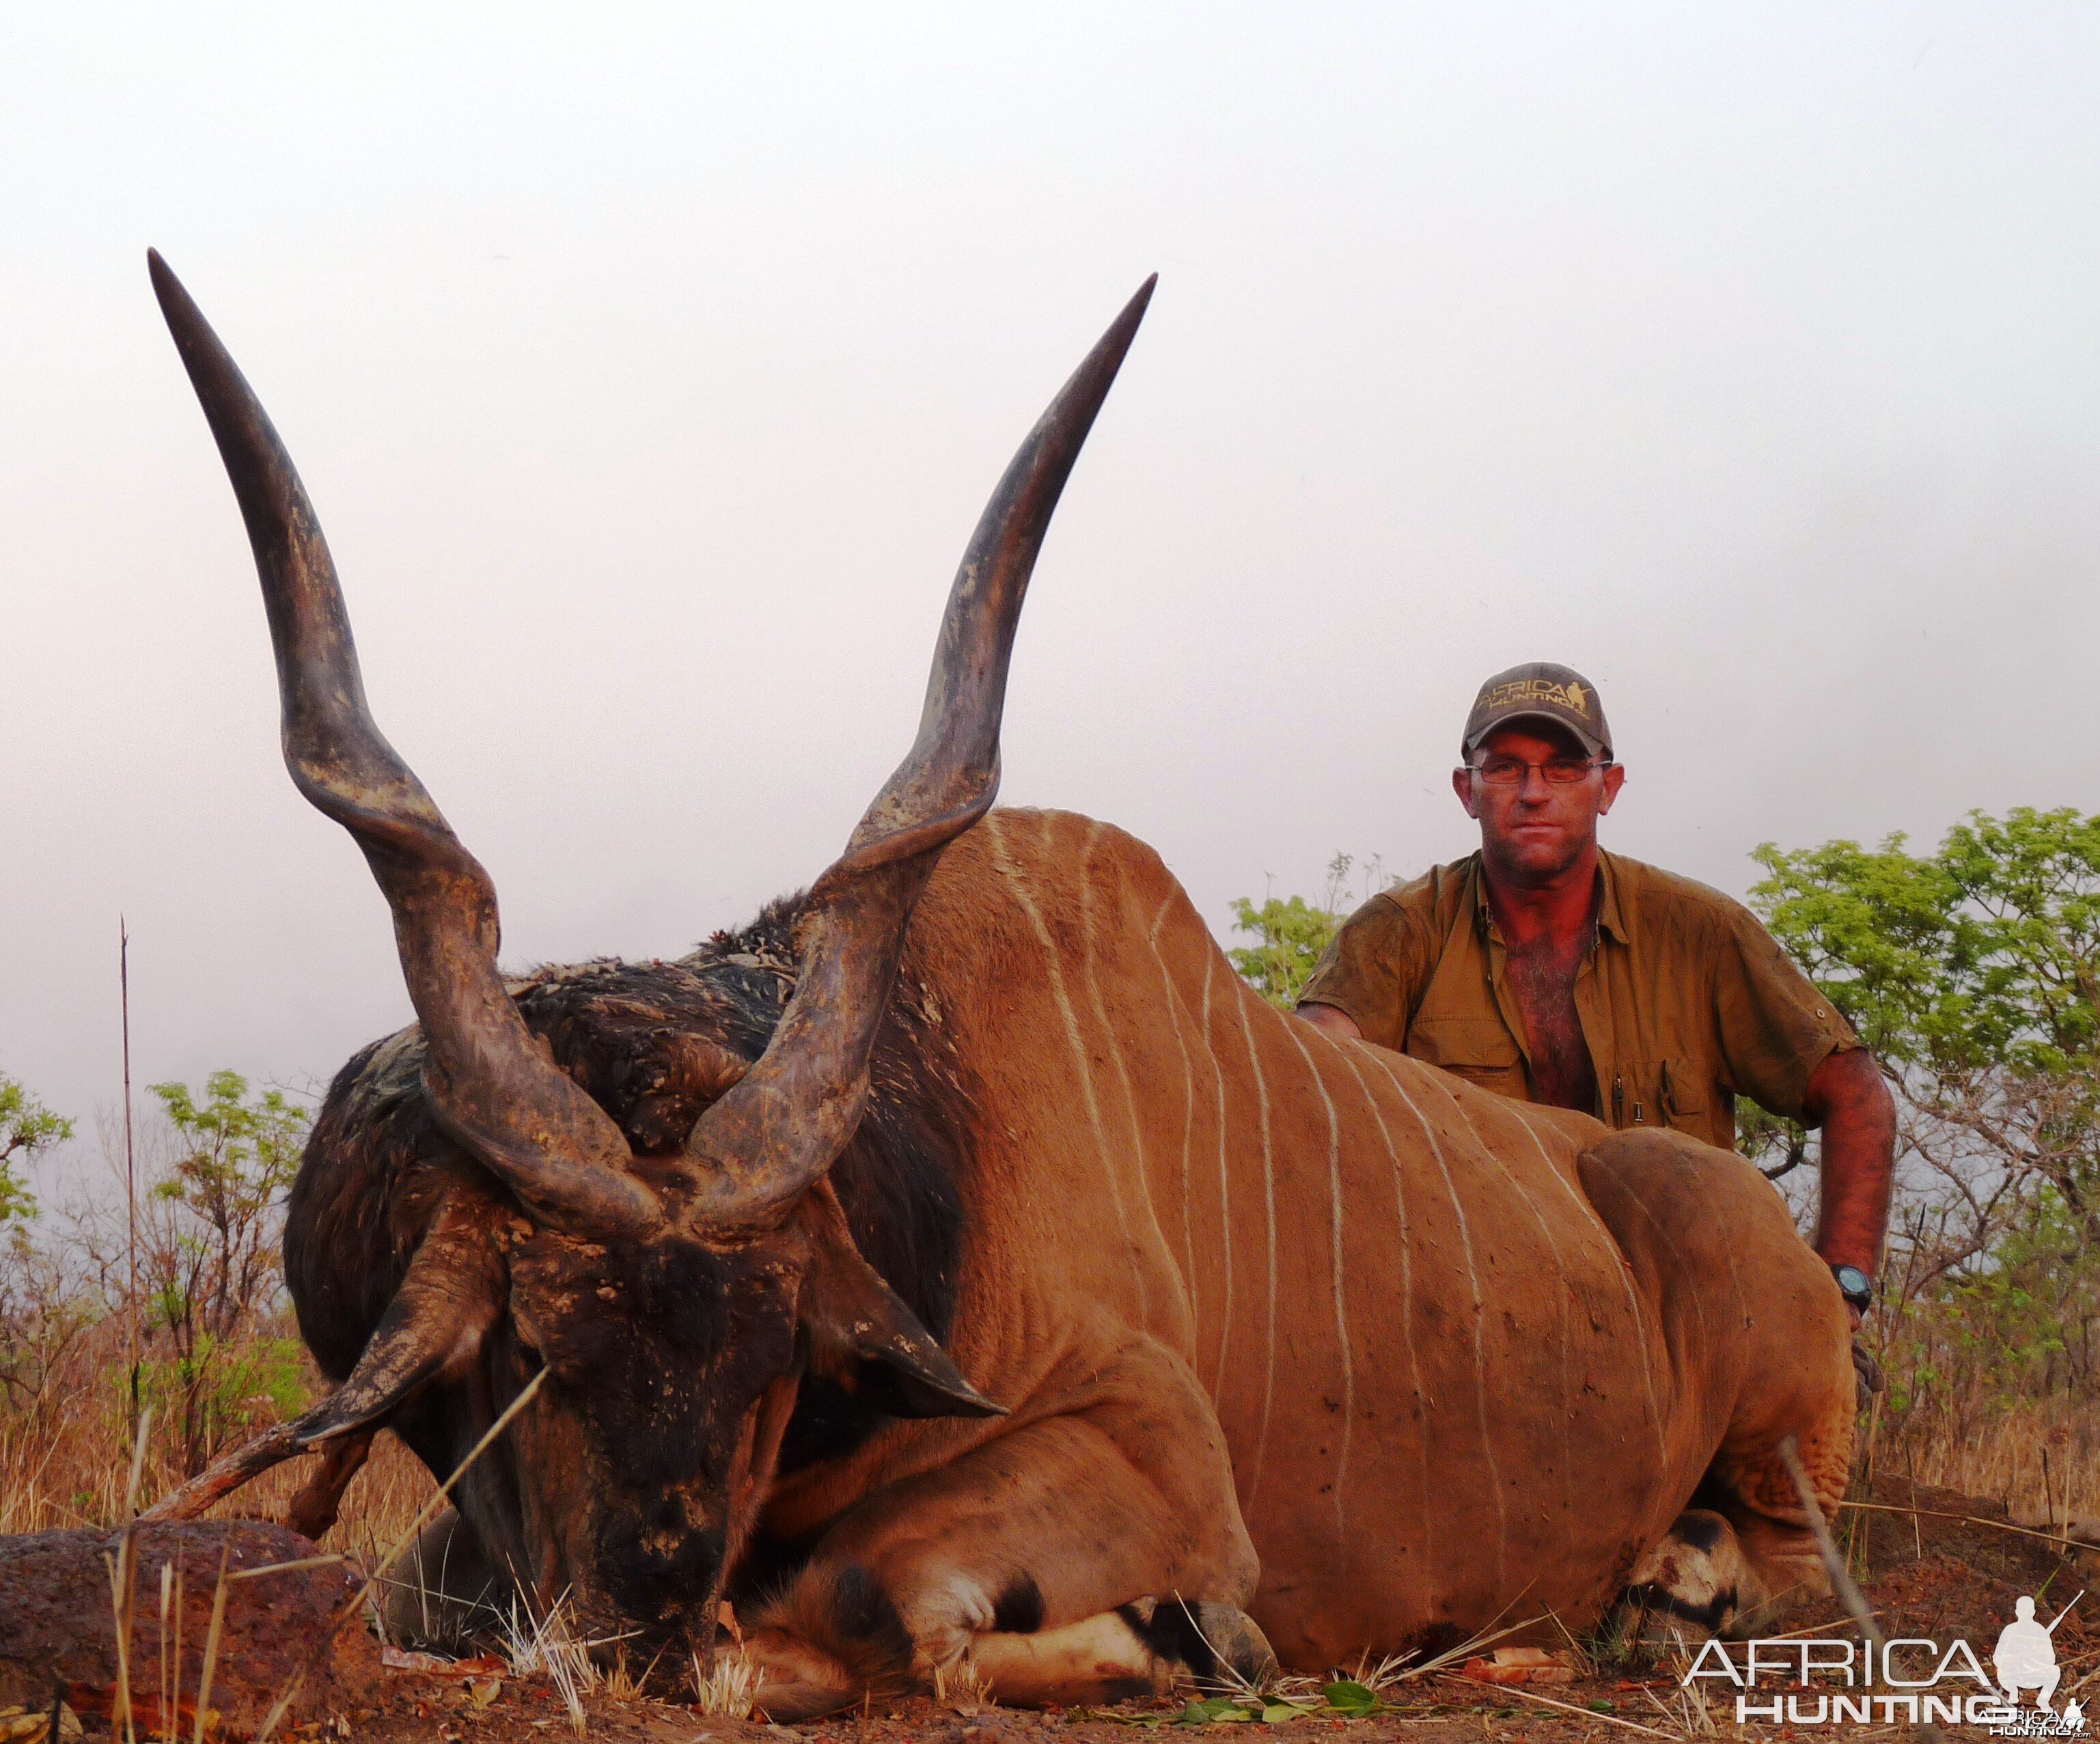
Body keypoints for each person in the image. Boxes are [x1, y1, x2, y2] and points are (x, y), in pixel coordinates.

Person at [1297, 662, 1895, 1346]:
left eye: (1562, 768)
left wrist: (1838, 1292)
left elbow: (1853, 1092)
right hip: (1471, 1333)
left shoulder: (1699, 931)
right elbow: (1314, 1073)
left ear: (1605, 786)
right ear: (1466, 790)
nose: (1531, 793)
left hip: (1684, 1337)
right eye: (1503, 768)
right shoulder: (1396, 934)